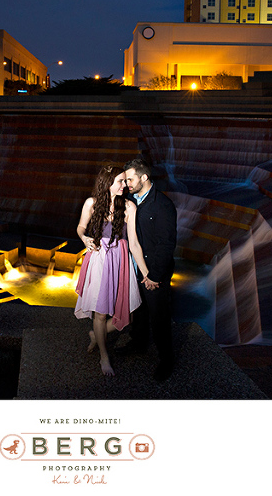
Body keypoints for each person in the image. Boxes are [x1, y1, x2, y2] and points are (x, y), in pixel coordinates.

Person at [74, 164, 150, 376]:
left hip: (119, 261)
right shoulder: (91, 203)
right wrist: (84, 237)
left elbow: (134, 244)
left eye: (125, 181)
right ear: (108, 183)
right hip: (98, 259)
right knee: (100, 313)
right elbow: (80, 227)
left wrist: (145, 273)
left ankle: (95, 336)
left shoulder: (129, 207)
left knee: (126, 316)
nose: (124, 185)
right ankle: (104, 357)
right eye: (120, 181)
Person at [121, 158, 178, 382]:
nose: (127, 184)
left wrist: (153, 275)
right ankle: (138, 344)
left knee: (160, 318)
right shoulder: (129, 199)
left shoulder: (162, 205)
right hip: (135, 269)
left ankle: (166, 360)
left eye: (130, 179)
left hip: (155, 273)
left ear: (144, 177)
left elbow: (166, 244)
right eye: (125, 180)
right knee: (139, 311)